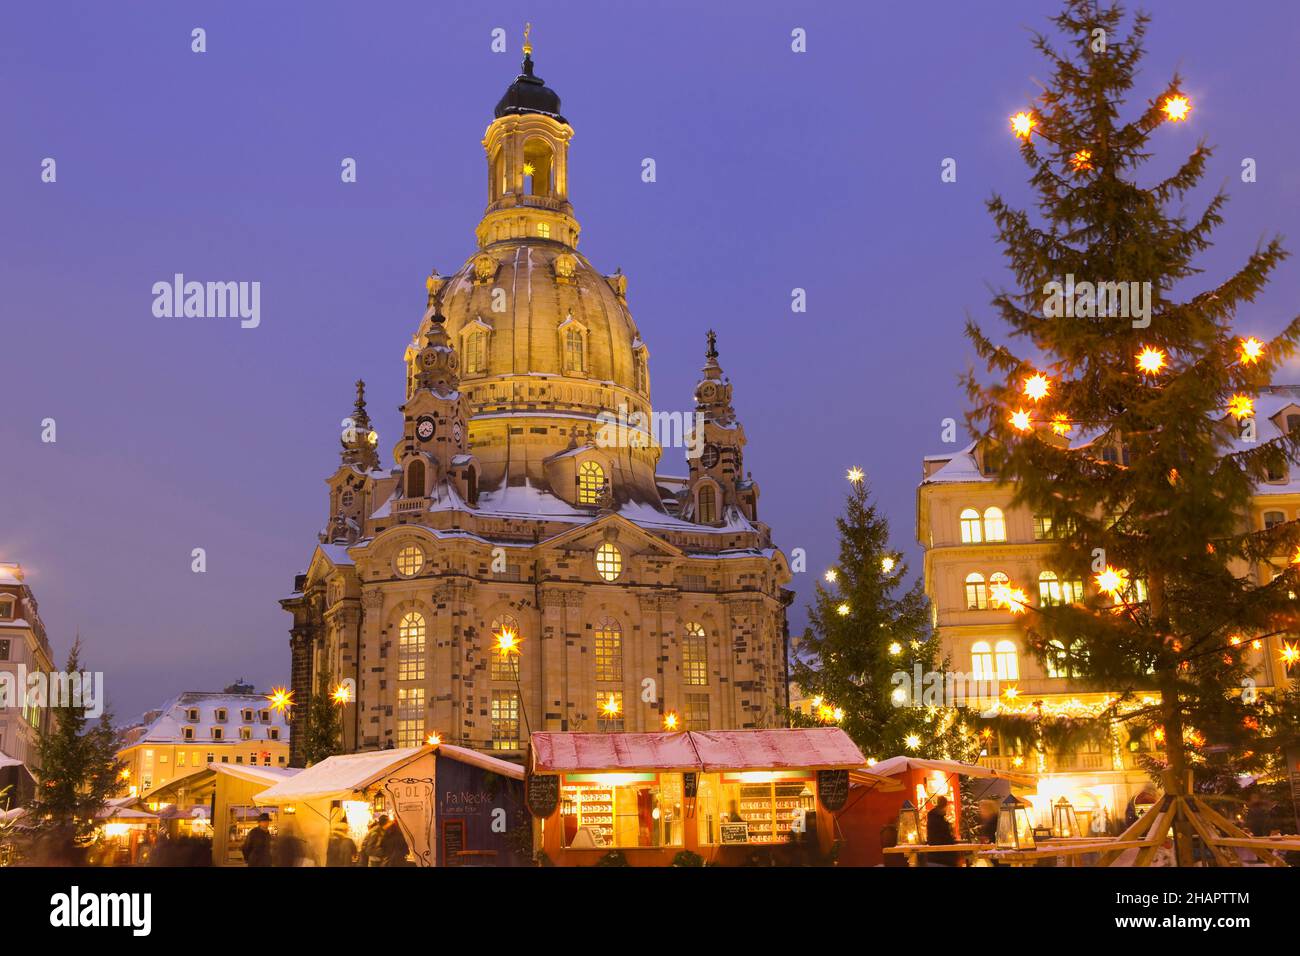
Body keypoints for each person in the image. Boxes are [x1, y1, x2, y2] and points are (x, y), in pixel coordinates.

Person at [924, 795, 959, 866]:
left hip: (934, 857)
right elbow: (945, 837)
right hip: (943, 857)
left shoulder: (933, 818)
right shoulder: (940, 820)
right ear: (945, 805)